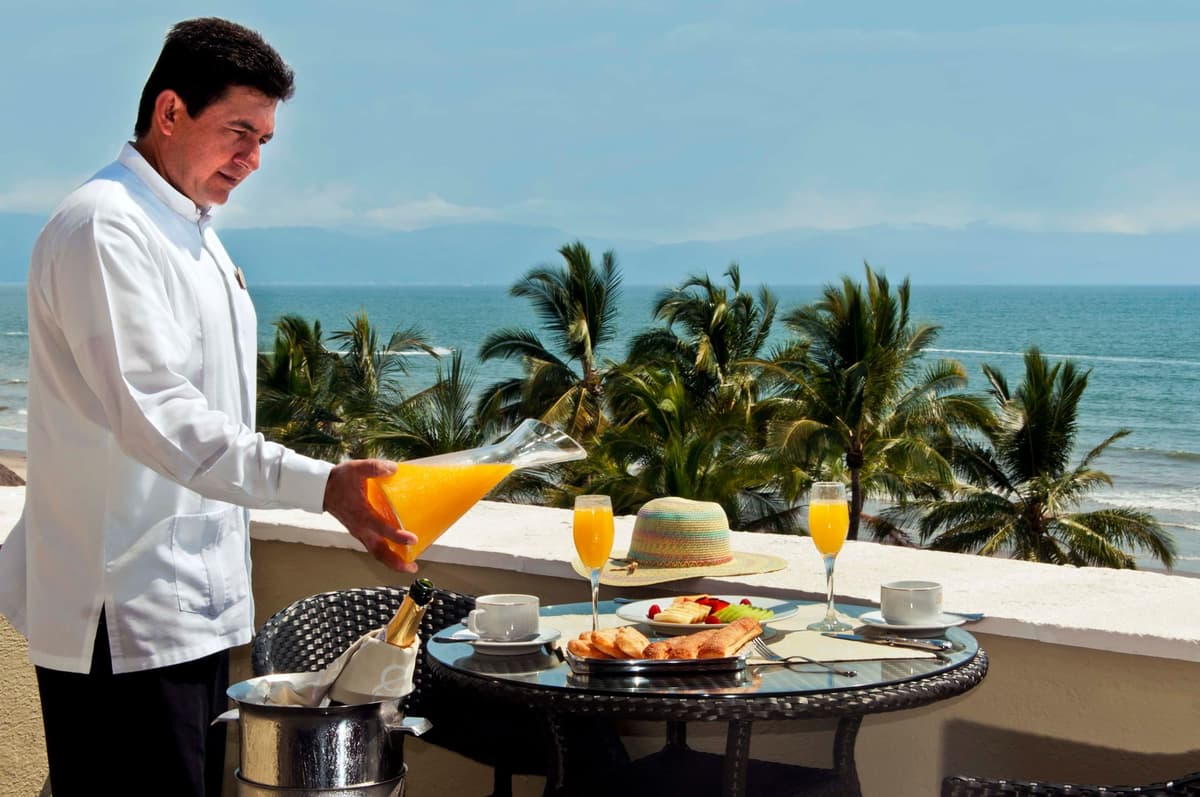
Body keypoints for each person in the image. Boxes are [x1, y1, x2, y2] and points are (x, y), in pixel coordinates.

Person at [0, 18, 418, 797]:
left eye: (264, 140)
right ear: (169, 112)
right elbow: (160, 415)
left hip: (193, 612)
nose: (252, 160)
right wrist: (322, 484)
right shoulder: (105, 226)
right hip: (122, 619)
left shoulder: (191, 231)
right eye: (239, 132)